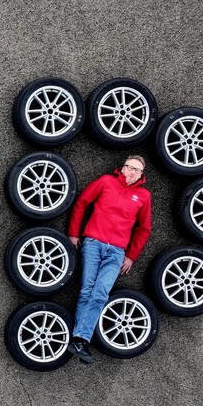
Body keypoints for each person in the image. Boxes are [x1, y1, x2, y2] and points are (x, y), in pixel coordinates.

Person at [66, 155, 152, 364]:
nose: (132, 172)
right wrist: (73, 233)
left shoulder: (144, 196)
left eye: (137, 170)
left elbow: (144, 228)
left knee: (101, 292)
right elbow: (82, 202)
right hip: (93, 244)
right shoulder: (106, 182)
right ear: (122, 168)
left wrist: (131, 256)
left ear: (141, 175)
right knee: (87, 290)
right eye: (129, 167)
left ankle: (79, 340)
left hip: (116, 252)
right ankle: (80, 341)